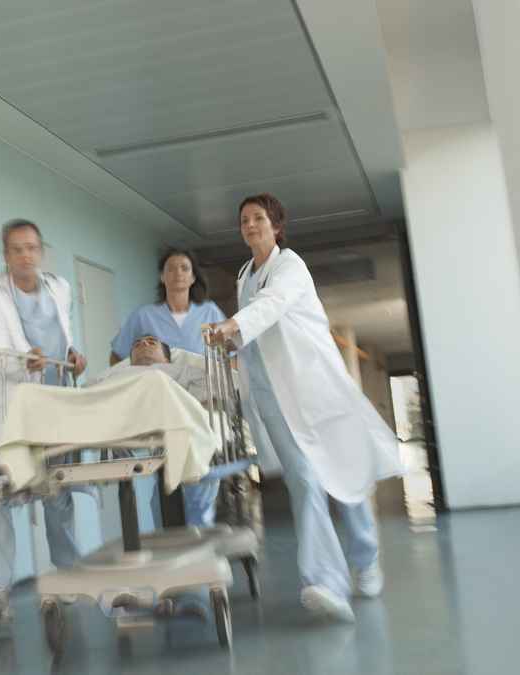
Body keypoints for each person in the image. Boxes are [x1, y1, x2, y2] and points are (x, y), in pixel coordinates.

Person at [208, 194, 403, 623]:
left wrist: (235, 324)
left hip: (316, 390)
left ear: (276, 226)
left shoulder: (289, 265)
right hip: (275, 398)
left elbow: (272, 306)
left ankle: (365, 557)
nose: (250, 225)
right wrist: (231, 339)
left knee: (343, 476)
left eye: (259, 218)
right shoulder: (245, 275)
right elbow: (254, 334)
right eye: (244, 220)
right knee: (305, 482)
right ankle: (324, 582)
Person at [0, 218, 88, 625]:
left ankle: (67, 573)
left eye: (31, 247)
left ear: (41, 251)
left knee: (58, 493)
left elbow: (62, 337)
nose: (25, 255)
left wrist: (73, 356)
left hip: (56, 406)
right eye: (16, 249)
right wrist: (21, 360)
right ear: (6, 255)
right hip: (11, 409)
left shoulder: (59, 288)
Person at [110, 249, 226, 527]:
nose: (178, 274)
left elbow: (225, 357)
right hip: (159, 408)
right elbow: (117, 357)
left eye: (185, 268)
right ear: (162, 277)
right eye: (171, 269)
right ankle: (170, 541)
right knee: (163, 489)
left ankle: (200, 539)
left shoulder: (209, 312)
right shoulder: (144, 316)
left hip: (199, 403)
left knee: (198, 484)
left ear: (193, 276)